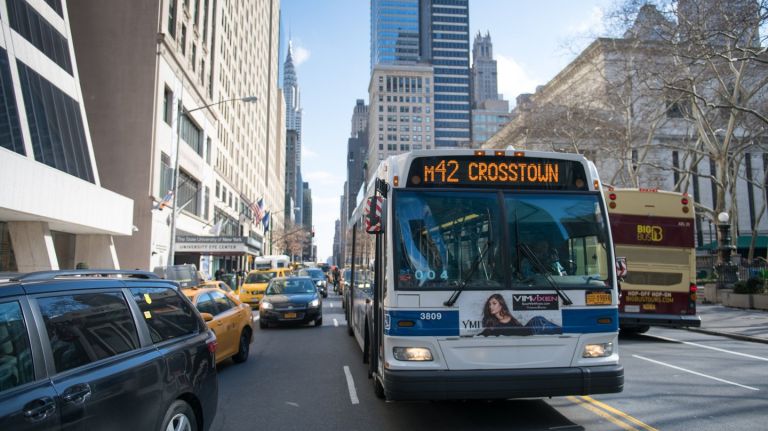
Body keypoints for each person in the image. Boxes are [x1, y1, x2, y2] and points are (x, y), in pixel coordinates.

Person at [478, 294, 561, 337]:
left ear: (501, 304)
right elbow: (483, 334)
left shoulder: (508, 316)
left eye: (494, 303)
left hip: (532, 329)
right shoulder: (492, 324)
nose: (491, 306)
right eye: (489, 304)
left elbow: (520, 329)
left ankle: (565, 331)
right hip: (531, 333)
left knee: (540, 321)